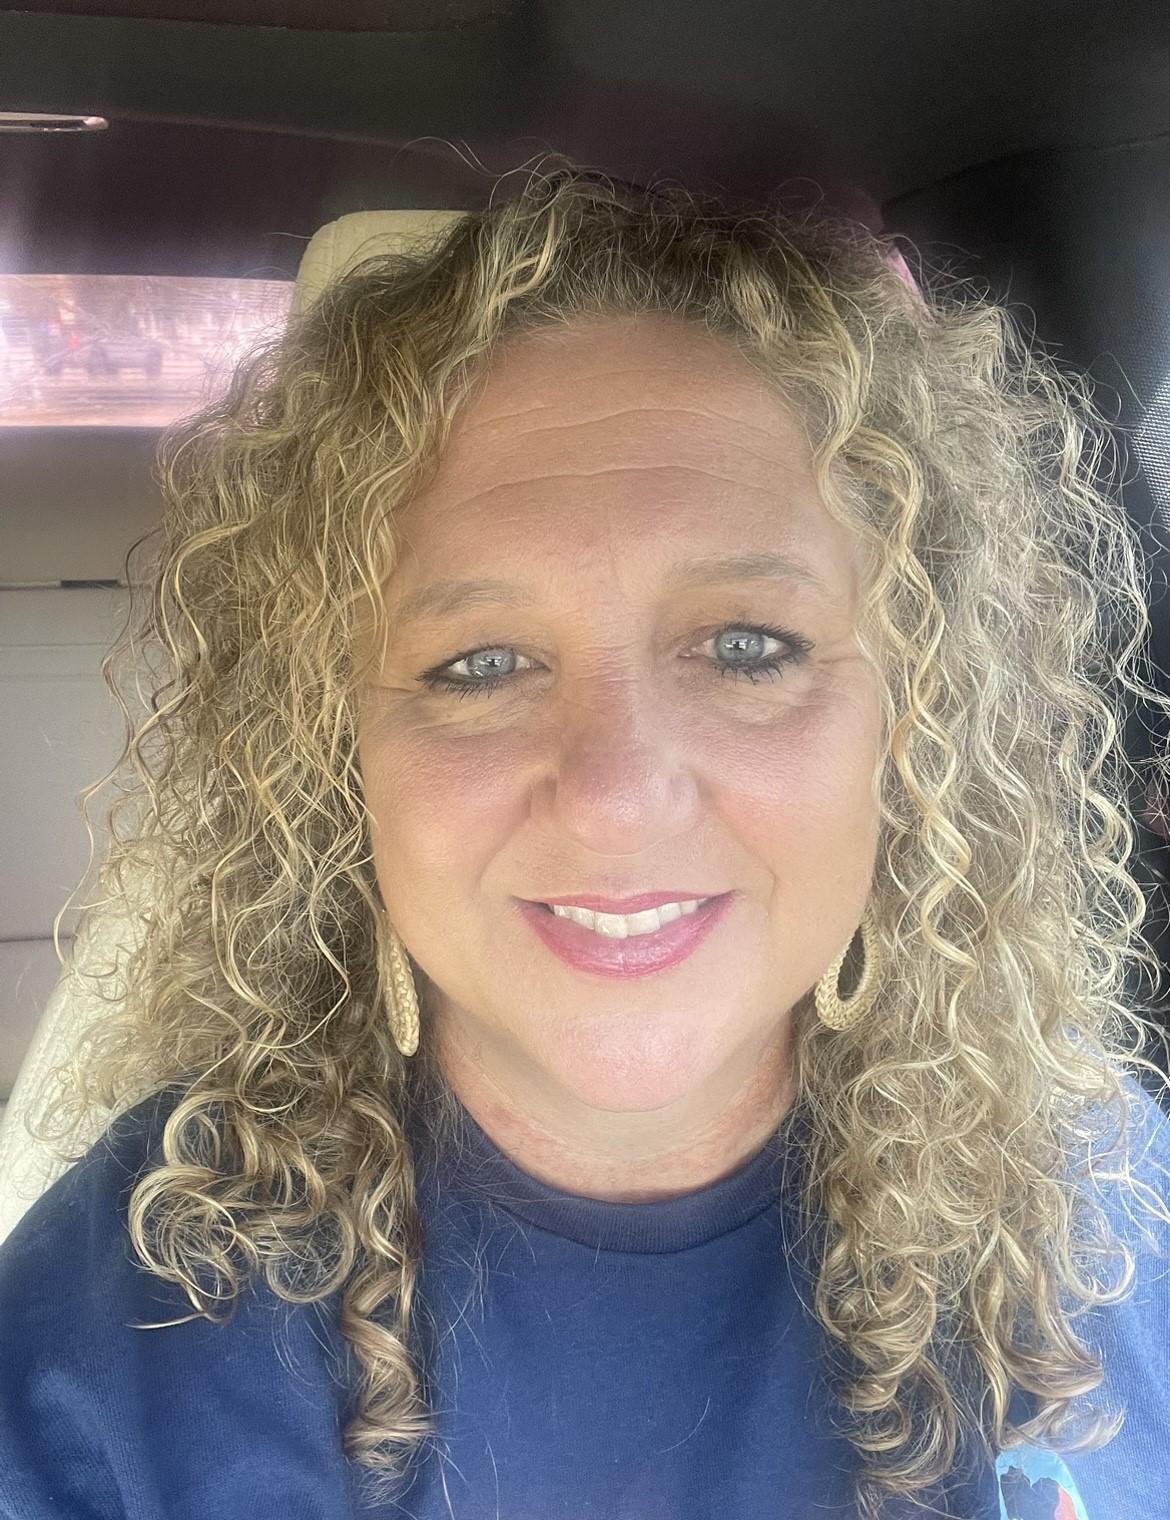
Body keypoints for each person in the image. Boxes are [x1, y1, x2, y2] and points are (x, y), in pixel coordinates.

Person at [2, 158, 1170, 1520]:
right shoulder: (125, 1340)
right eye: (480, 665)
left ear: (909, 723)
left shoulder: (1112, 1213)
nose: (617, 796)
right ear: (338, 758)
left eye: (748, 647)